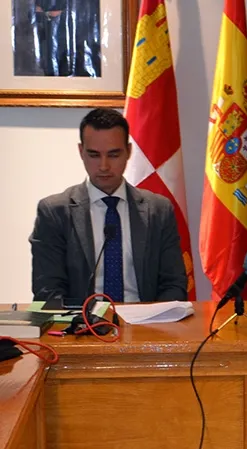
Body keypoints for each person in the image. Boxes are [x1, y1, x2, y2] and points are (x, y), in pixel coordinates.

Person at [29, 108, 188, 303]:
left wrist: (152, 318)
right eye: (94, 155)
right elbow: (47, 291)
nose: (104, 166)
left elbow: (174, 285)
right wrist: (85, 319)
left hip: (145, 319)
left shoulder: (158, 211)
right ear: (81, 152)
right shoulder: (54, 212)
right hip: (82, 320)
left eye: (113, 155)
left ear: (128, 151)